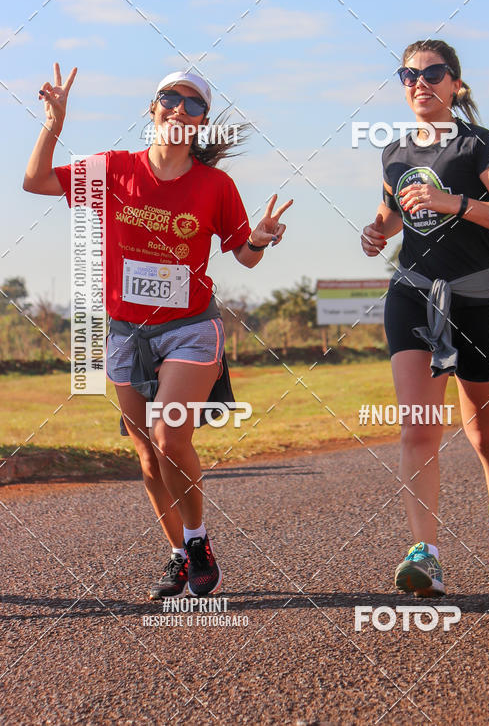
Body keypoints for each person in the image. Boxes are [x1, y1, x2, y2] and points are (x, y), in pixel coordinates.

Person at [24, 63, 292, 599]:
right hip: (127, 333)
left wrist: (259, 238)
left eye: (194, 104)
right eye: (171, 97)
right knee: (147, 455)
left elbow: (244, 256)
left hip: (190, 328)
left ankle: (198, 542)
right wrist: (54, 121)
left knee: (172, 436)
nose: (180, 109)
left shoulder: (216, 185)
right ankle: (177, 554)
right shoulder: (113, 169)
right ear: (153, 106)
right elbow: (35, 182)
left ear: (202, 123)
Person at [360, 39, 489, 597]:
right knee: (419, 426)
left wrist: (451, 204)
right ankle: (426, 555)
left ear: (455, 84)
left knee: (484, 431)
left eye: (433, 73)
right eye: (409, 74)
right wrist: (375, 233)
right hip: (414, 296)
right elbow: (390, 216)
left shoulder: (481, 145)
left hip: (484, 301)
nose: (420, 82)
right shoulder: (392, 153)